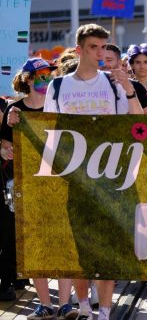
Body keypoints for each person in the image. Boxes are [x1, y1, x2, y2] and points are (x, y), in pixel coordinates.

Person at [44, 24, 143, 320]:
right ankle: (85, 305)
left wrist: (128, 88)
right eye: (93, 47)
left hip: (110, 174)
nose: (100, 53)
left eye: (103, 47)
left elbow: (139, 122)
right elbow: (47, 129)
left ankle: (106, 311)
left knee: (108, 246)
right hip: (75, 176)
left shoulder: (113, 83)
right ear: (79, 50)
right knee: (81, 244)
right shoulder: (58, 86)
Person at [0, 59, 65, 316]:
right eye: (42, 75)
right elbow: (5, 146)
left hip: (58, 183)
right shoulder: (15, 109)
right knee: (35, 242)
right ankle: (45, 303)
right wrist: (7, 147)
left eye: (50, 75)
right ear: (28, 79)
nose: (48, 80)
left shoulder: (58, 104)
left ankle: (65, 302)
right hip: (28, 184)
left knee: (59, 241)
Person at [103, 43, 147, 113]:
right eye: (101, 60)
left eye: (109, 60)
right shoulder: (91, 84)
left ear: (119, 63)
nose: (142, 66)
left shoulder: (137, 87)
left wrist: (130, 92)